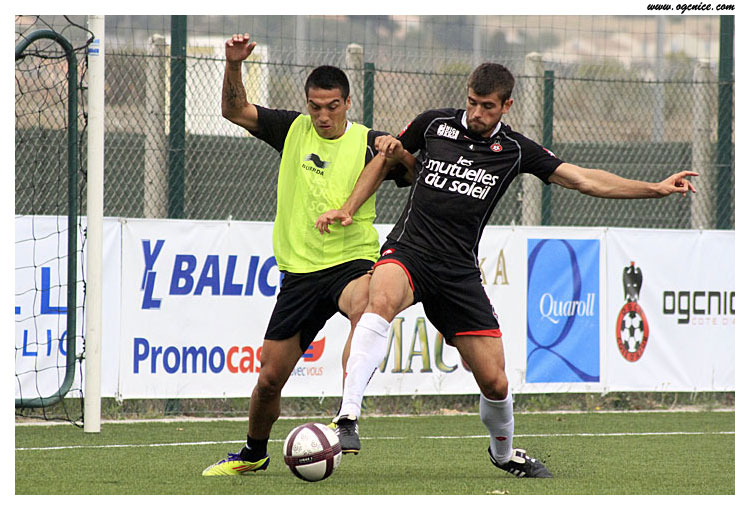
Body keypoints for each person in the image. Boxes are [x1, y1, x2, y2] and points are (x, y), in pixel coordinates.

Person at [316, 62, 697, 478]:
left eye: (488, 106)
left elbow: (583, 179)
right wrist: (348, 208)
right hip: (410, 251)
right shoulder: (433, 125)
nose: (477, 113)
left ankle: (503, 454)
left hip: (458, 272)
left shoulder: (515, 150)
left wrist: (655, 189)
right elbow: (385, 160)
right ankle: (348, 416)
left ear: (506, 106)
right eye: (472, 103)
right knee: (381, 300)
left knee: (495, 382)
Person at [202, 33, 412, 476]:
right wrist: (234, 64)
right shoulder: (292, 129)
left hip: (351, 262)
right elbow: (234, 111)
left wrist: (398, 153)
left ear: (348, 103)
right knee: (268, 379)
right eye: (315, 106)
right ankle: (253, 453)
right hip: (299, 274)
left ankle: (347, 413)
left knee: (367, 307)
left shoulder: (369, 142)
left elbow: (412, 170)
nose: (323, 115)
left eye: (332, 106)